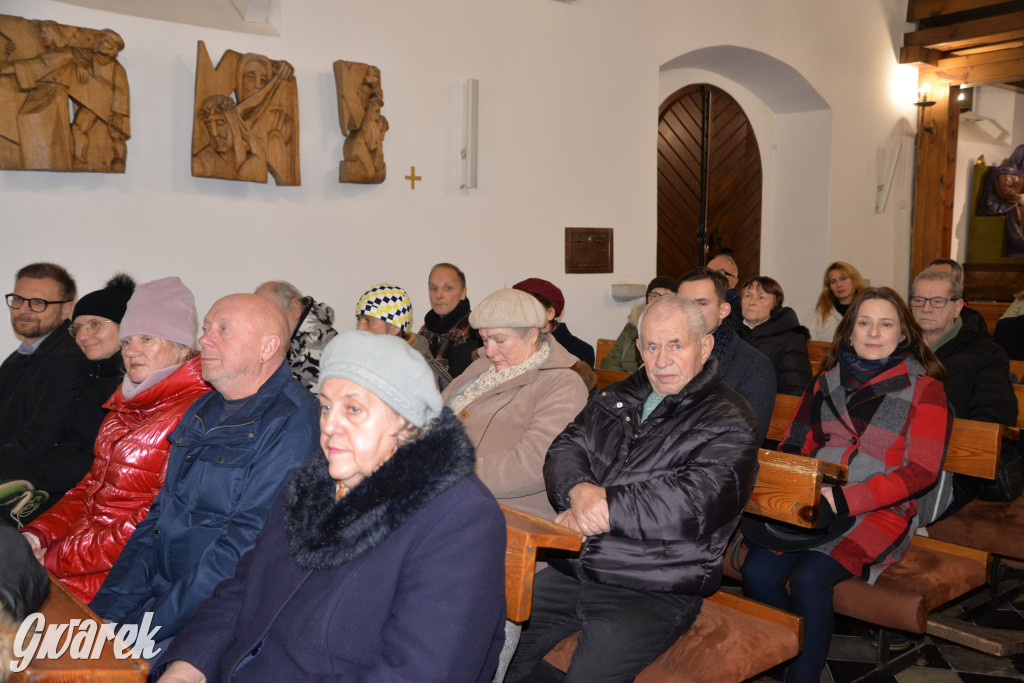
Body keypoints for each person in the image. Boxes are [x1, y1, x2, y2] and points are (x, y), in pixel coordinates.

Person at [154, 331, 506, 682]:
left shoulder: (460, 519)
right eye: (325, 406)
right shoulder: (313, 485)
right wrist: (189, 665)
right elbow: (244, 588)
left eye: (353, 409)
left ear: (406, 422)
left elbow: (420, 672)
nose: (330, 426)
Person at [506, 295, 759, 682]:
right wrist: (577, 492)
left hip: (653, 585)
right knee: (494, 641)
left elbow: (695, 501)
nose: (662, 360)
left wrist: (604, 506)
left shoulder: (729, 417)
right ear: (639, 349)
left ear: (704, 346)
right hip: (574, 567)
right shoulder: (616, 397)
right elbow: (565, 448)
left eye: (676, 345)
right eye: (652, 346)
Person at [742, 287, 950, 683]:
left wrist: (846, 498)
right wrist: (788, 491)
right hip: (813, 503)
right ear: (849, 332)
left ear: (903, 334)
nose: (874, 332)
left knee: (809, 577)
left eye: (885, 324)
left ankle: (802, 676)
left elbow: (921, 471)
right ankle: (793, 654)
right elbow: (794, 444)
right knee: (758, 574)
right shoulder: (823, 383)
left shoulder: (925, 389)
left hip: (880, 510)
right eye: (864, 322)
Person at [89, 294, 319, 647]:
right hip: (161, 602)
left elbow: (242, 550)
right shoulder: (204, 406)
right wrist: (108, 613)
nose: (203, 339)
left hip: (214, 619)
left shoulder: (293, 422)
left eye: (222, 329)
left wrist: (141, 630)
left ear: (266, 347)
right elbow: (158, 520)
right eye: (207, 327)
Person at [21, 277, 211, 602]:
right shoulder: (123, 405)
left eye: (147, 339)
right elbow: (88, 488)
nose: (132, 351)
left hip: (123, 586)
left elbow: (152, 525)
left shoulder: (195, 414)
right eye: (126, 341)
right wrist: (36, 535)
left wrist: (55, 559)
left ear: (181, 346)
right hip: (73, 564)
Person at [442, 288, 588, 521]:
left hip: (500, 515)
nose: (489, 351)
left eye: (500, 340)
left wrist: (452, 473)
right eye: (484, 339)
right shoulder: (479, 368)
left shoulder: (562, 383)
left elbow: (534, 464)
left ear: (531, 335)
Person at [11, 273, 135, 524]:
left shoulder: (129, 387)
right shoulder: (89, 375)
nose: (82, 335)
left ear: (126, 327)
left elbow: (95, 461)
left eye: (95, 324)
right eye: (77, 328)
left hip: (76, 504)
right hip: (50, 486)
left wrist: (29, 478)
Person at [911, 268, 1016, 514]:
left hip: (952, 466)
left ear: (957, 307)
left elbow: (992, 420)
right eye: (918, 300)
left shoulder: (986, 353)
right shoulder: (894, 345)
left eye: (937, 301)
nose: (926, 308)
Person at [0, 263, 91, 505]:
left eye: (38, 303)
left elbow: (43, 435)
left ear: (66, 310)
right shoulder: (22, 355)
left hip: (35, 494)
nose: (23, 310)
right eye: (18, 299)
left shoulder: (69, 358)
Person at [678, 268, 776, 443]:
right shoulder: (666, 355)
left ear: (723, 310)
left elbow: (747, 441)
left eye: (701, 303)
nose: (690, 312)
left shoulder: (754, 366)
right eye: (684, 304)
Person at [354, 283, 450, 388]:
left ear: (395, 328)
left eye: (368, 320)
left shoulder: (418, 375)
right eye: (359, 320)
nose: (359, 328)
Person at [254, 280, 338, 392]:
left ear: (295, 308)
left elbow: (295, 402)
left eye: (269, 311)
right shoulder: (289, 341)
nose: (263, 320)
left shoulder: (321, 340)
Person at [736, 276, 812, 396]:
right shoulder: (728, 330)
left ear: (775, 304)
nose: (752, 302)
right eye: (748, 296)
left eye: (761, 297)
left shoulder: (791, 337)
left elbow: (796, 387)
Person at [599, 276, 676, 373]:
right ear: (648, 299)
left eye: (666, 297)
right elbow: (610, 361)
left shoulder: (678, 330)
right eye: (655, 296)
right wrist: (624, 382)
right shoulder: (632, 327)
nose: (659, 301)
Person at [513, 277, 595, 367]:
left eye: (530, 308)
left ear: (550, 313)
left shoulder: (579, 350)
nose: (522, 315)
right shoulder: (509, 343)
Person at [419, 262, 481, 379]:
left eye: (448, 288)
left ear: (463, 292)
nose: (439, 295)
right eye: (433, 288)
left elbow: (457, 384)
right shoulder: (425, 329)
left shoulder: (472, 330)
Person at [192, 94, 268, 182]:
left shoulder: (253, 158)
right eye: (208, 125)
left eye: (220, 124)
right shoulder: (200, 163)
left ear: (234, 125)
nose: (214, 133)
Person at [978, 144, 1024, 257]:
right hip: (999, 205)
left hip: (1014, 203)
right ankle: (1018, 245)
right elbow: (1004, 192)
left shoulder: (1021, 174)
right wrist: (1020, 198)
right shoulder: (1005, 172)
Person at [806, 261, 866, 342]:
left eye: (843, 279)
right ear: (829, 287)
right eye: (833, 281)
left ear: (854, 280)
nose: (838, 285)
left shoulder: (867, 308)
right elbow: (807, 342)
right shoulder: (819, 310)